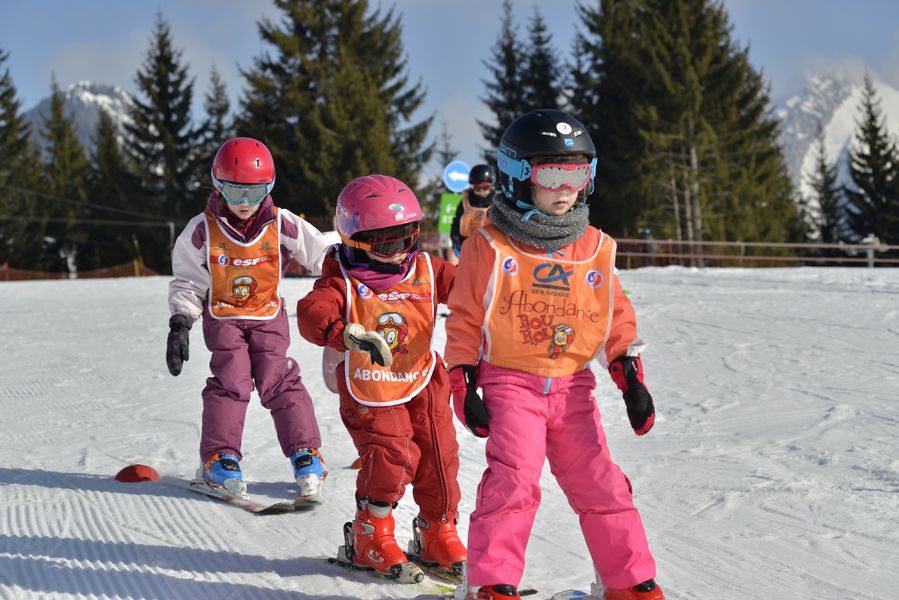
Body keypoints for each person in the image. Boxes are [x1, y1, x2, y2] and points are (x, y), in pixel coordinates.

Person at [444, 109, 665, 600]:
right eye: (552, 174)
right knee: (514, 482)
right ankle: (490, 582)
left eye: (577, 173)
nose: (566, 187)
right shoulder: (490, 246)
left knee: (602, 484)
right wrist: (463, 381)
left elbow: (614, 315)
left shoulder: (595, 247)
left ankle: (627, 581)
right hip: (510, 382)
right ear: (518, 175)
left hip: (572, 386)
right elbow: (463, 319)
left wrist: (629, 375)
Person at [296, 174, 466, 584]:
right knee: (394, 452)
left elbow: (470, 289)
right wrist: (345, 333)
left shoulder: (426, 267)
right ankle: (371, 532)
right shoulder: (343, 279)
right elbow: (312, 311)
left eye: (407, 238)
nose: (399, 252)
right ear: (354, 239)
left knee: (440, 455)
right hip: (371, 384)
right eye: (386, 243)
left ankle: (436, 531)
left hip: (423, 378)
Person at [166, 137, 332, 502]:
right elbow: (188, 281)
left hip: (269, 316)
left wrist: (350, 283)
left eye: (254, 193)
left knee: (280, 381)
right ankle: (219, 457)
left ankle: (306, 452)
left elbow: (322, 253)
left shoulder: (282, 223)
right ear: (217, 185)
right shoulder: (202, 229)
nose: (244, 203)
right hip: (223, 317)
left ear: (268, 188)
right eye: (234, 191)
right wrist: (181, 321)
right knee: (231, 383)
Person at [450, 164, 496, 258]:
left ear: (491, 185)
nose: (482, 191)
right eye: (478, 188)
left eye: (485, 187)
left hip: (491, 247)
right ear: (472, 186)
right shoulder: (465, 202)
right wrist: (455, 240)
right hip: (467, 246)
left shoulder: (497, 202)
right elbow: (456, 223)